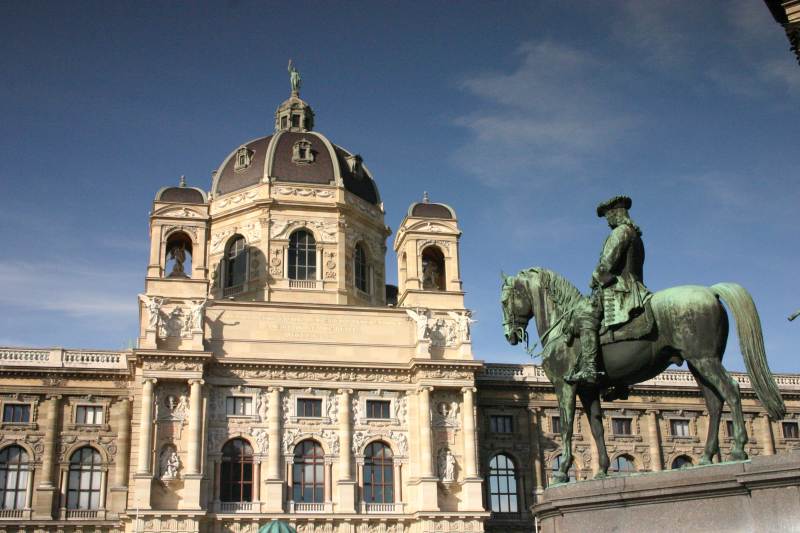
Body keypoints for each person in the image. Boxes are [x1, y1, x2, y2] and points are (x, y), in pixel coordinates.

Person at [564, 196, 647, 386]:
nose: (607, 220)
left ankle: (590, 368)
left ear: (616, 214)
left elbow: (606, 264)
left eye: (608, 215)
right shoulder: (635, 234)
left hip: (621, 289)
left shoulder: (620, 233)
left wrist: (595, 276)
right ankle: (619, 383)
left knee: (586, 317)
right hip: (634, 286)